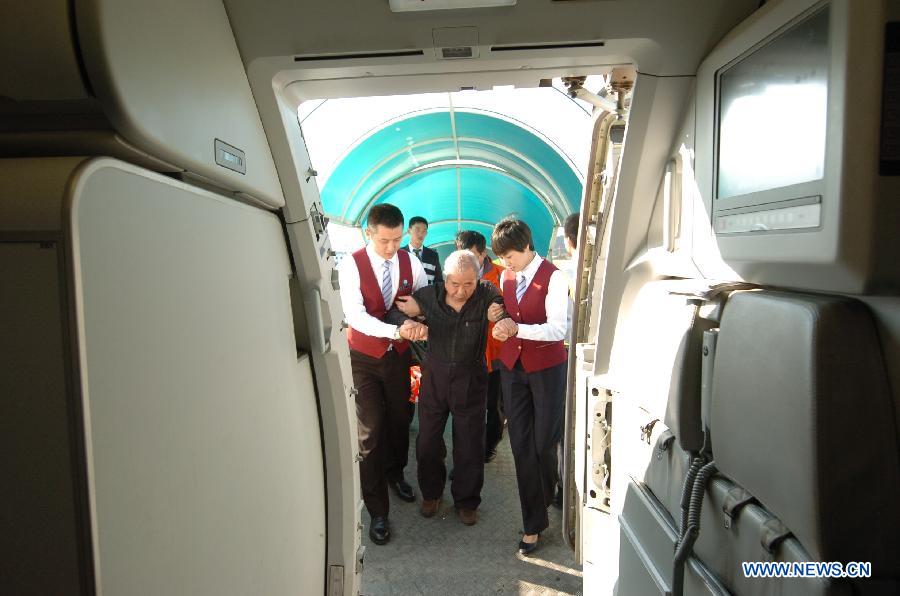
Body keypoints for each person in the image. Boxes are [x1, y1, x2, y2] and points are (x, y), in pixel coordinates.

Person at [386, 250, 507, 526]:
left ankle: (467, 500)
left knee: (469, 443)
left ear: (477, 279)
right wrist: (405, 322)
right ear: (444, 278)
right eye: (455, 284)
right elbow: (396, 309)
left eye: (468, 284)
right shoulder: (429, 295)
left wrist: (498, 314)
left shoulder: (486, 293)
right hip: (435, 378)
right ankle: (431, 492)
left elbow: (503, 307)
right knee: (427, 440)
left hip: (471, 379)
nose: (461, 291)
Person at [338, 203, 429, 546]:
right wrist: (397, 331)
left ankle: (395, 473)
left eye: (397, 240)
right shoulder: (352, 264)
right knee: (370, 432)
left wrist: (417, 313)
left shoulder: (410, 261)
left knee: (402, 418)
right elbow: (355, 316)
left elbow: (423, 295)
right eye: (385, 241)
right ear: (369, 233)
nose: (392, 248)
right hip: (363, 358)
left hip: (402, 359)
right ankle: (377, 509)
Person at [490, 218, 569, 556]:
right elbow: (511, 313)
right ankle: (532, 524)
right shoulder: (507, 276)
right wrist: (498, 313)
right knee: (521, 445)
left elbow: (557, 330)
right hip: (513, 369)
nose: (506, 263)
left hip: (547, 370)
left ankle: (549, 492)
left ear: (526, 246)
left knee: (543, 445)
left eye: (509, 256)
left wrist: (515, 327)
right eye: (502, 258)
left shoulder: (554, 277)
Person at [455, 230, 506, 463]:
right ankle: (469, 454)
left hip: (496, 354)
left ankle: (490, 445)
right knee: (468, 408)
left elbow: (512, 312)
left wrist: (498, 314)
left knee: (493, 406)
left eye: (472, 256)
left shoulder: (503, 276)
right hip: (468, 355)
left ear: (483, 253)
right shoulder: (454, 279)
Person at [403, 216, 443, 285]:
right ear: (409, 231)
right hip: (405, 295)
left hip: (428, 295)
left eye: (424, 231)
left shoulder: (433, 255)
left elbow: (439, 281)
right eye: (417, 229)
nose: (421, 234)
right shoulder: (400, 254)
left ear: (426, 233)